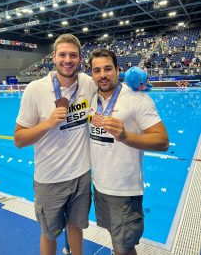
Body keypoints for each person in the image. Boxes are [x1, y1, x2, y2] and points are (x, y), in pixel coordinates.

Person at [14, 34, 97, 255]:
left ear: (80, 59)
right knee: (49, 234)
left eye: (73, 55)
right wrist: (48, 123)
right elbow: (19, 139)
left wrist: (138, 88)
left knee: (76, 227)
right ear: (54, 57)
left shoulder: (88, 84)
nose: (67, 60)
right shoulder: (35, 89)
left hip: (81, 175)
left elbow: (112, 85)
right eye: (62, 54)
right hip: (49, 179)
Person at [89, 49, 169, 255]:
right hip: (100, 185)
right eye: (96, 70)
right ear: (92, 74)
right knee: (116, 239)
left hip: (124, 190)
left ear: (118, 69)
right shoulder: (91, 98)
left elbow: (162, 141)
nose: (103, 75)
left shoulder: (136, 98)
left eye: (108, 68)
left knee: (124, 247)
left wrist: (125, 136)